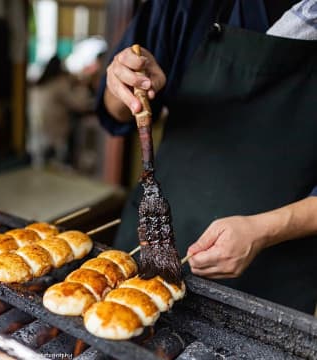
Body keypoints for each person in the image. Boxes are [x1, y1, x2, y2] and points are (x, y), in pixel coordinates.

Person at [97, 0, 317, 313]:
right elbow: (115, 112)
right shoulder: (184, 6)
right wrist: (123, 83)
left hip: (273, 275)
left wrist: (266, 230)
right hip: (157, 236)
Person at [27, 56, 94, 167]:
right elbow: (80, 105)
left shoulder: (40, 83)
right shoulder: (59, 83)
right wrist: (83, 85)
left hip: (38, 130)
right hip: (54, 132)